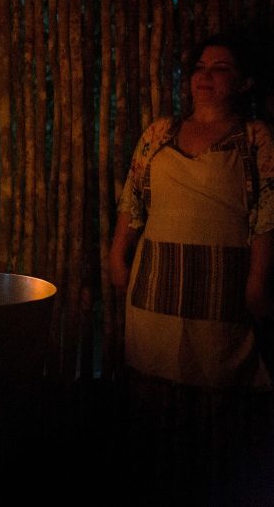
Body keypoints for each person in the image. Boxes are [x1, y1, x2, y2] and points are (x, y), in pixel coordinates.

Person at [108, 33, 274, 499]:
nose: (206, 75)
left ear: (244, 82)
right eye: (200, 66)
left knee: (218, 391)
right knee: (154, 392)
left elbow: (266, 211)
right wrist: (117, 255)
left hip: (222, 287)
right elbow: (133, 198)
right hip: (156, 282)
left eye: (220, 67)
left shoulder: (255, 138)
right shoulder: (160, 133)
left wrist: (259, 279)